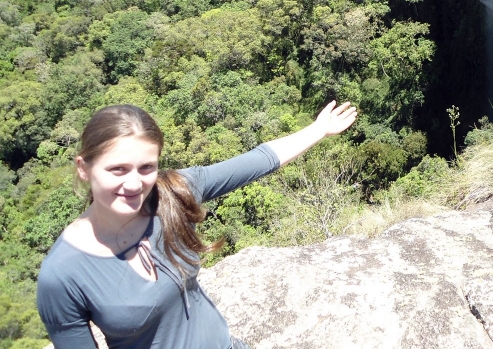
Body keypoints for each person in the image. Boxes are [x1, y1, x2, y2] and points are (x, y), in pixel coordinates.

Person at [36, 101, 357, 349]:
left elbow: (257, 161)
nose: (134, 184)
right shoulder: (63, 275)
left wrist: (319, 129)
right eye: (117, 169)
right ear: (83, 168)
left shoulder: (170, 195)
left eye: (146, 167)